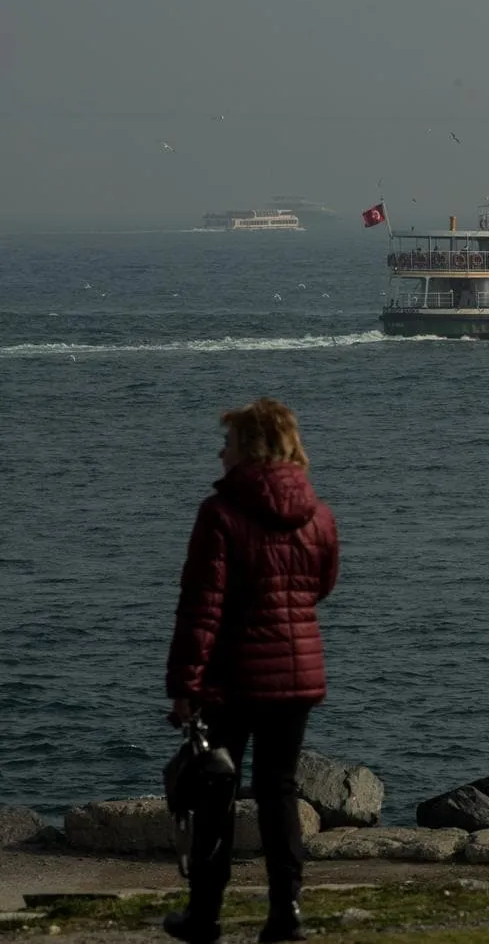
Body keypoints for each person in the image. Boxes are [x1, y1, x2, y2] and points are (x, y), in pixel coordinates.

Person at [164, 398, 339, 944]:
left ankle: (205, 914)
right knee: (279, 791)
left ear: (252, 448)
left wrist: (185, 687)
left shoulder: (220, 514)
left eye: (230, 442)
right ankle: (286, 914)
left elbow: (201, 607)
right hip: (298, 673)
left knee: (215, 792)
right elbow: (321, 586)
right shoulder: (318, 514)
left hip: (232, 676)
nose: (221, 451)